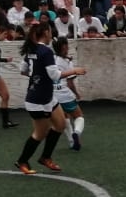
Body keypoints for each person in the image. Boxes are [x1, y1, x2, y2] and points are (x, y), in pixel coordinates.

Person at [14, 20, 81, 174]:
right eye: (51, 31)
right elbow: (55, 75)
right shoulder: (46, 51)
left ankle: (46, 158)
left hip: (47, 97)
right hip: (37, 102)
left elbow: (23, 70)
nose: (52, 34)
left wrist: (36, 76)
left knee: (60, 125)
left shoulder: (32, 49)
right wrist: (74, 70)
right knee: (40, 134)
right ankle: (22, 161)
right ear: (45, 33)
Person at [53, 37, 88, 150]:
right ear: (64, 47)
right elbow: (70, 83)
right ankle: (76, 133)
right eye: (66, 45)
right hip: (65, 95)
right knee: (79, 116)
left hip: (53, 95)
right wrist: (76, 94)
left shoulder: (51, 59)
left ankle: (72, 142)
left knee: (65, 117)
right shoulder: (67, 62)